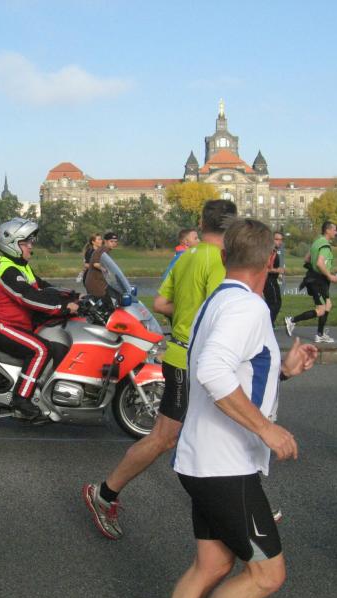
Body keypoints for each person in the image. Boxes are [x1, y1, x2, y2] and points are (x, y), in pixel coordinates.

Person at [172, 218, 318, 598]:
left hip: (202, 459)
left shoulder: (217, 300)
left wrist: (282, 372)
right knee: (267, 576)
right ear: (271, 259)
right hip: (225, 466)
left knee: (212, 566)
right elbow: (212, 371)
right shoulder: (248, 307)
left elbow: (232, 370)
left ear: (224, 257)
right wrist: (266, 429)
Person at [82, 199, 236, 540]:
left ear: (202, 224)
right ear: (233, 226)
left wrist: (186, 313)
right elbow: (222, 315)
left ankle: (240, 503)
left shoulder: (186, 257)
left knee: (215, 431)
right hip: (197, 360)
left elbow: (162, 303)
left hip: (182, 356)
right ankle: (104, 493)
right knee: (167, 437)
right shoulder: (222, 262)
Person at [0, 218, 78, 418]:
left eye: (31, 241)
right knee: (41, 349)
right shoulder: (8, 270)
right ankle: (21, 399)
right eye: (26, 242)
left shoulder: (20, 266)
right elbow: (28, 297)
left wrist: (74, 296)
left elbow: (42, 287)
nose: (30, 246)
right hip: (1, 326)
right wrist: (62, 308)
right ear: (12, 244)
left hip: (16, 324)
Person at [284, 221, 337, 343]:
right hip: (318, 281)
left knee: (328, 305)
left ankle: (320, 334)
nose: (336, 232)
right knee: (320, 310)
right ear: (327, 230)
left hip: (317, 279)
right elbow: (320, 263)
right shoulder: (325, 245)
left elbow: (306, 259)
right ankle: (292, 320)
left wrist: (316, 269)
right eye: (334, 230)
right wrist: (330, 276)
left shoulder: (317, 242)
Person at [84, 231, 119, 303]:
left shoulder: (105, 250)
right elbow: (95, 264)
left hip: (99, 282)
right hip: (95, 283)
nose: (113, 243)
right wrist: (106, 269)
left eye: (115, 242)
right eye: (111, 241)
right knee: (106, 304)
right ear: (105, 241)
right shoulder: (103, 250)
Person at [263, 232, 285, 326]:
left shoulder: (274, 251)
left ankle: (267, 323)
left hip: (272, 280)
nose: (279, 242)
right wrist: (277, 270)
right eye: (277, 239)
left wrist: (277, 273)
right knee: (275, 303)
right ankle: (268, 324)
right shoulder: (270, 251)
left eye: (281, 240)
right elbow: (264, 268)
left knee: (273, 303)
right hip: (268, 280)